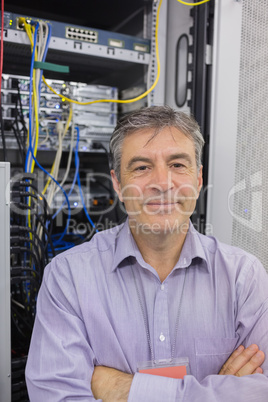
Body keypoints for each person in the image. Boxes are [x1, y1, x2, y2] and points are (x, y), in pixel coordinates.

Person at [26, 106, 268, 401]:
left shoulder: (244, 278)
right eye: (141, 167)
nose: (162, 183)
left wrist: (122, 388)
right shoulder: (68, 279)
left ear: (199, 178)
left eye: (178, 165)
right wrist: (217, 392)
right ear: (117, 183)